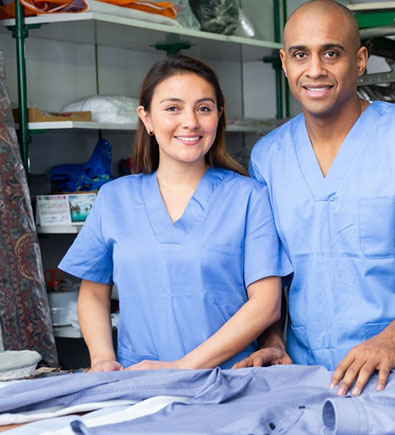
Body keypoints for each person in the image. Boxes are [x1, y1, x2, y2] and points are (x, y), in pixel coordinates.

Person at [235, 0, 395, 397]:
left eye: (331, 53)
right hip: (309, 379)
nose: (314, 70)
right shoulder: (268, 157)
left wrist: (394, 338)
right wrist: (272, 343)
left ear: (361, 60)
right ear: (285, 63)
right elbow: (271, 278)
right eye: (301, 54)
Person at [58, 55, 292, 372]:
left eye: (204, 108)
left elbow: (266, 305)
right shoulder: (114, 198)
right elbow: (94, 295)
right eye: (173, 108)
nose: (190, 121)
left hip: (228, 381)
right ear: (147, 118)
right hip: (138, 382)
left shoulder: (249, 198)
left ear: (218, 116)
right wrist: (102, 359)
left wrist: (181, 367)